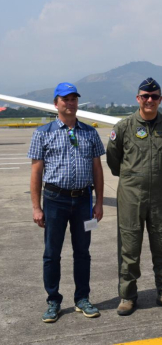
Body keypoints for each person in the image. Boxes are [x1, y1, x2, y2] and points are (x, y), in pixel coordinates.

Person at [28, 82, 105, 323]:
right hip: (54, 200)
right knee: (52, 253)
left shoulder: (89, 132)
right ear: (56, 104)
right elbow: (36, 172)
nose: (70, 103)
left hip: (83, 200)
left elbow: (97, 169)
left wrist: (99, 202)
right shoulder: (43, 133)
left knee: (82, 252)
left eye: (73, 99)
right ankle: (53, 301)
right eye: (65, 99)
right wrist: (36, 207)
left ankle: (82, 298)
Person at [106, 78, 162, 316]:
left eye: (155, 96)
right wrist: (133, 177)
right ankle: (127, 296)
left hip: (160, 195)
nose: (150, 100)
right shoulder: (124, 126)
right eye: (145, 96)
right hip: (131, 195)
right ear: (138, 99)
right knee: (129, 245)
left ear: (160, 99)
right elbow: (113, 160)